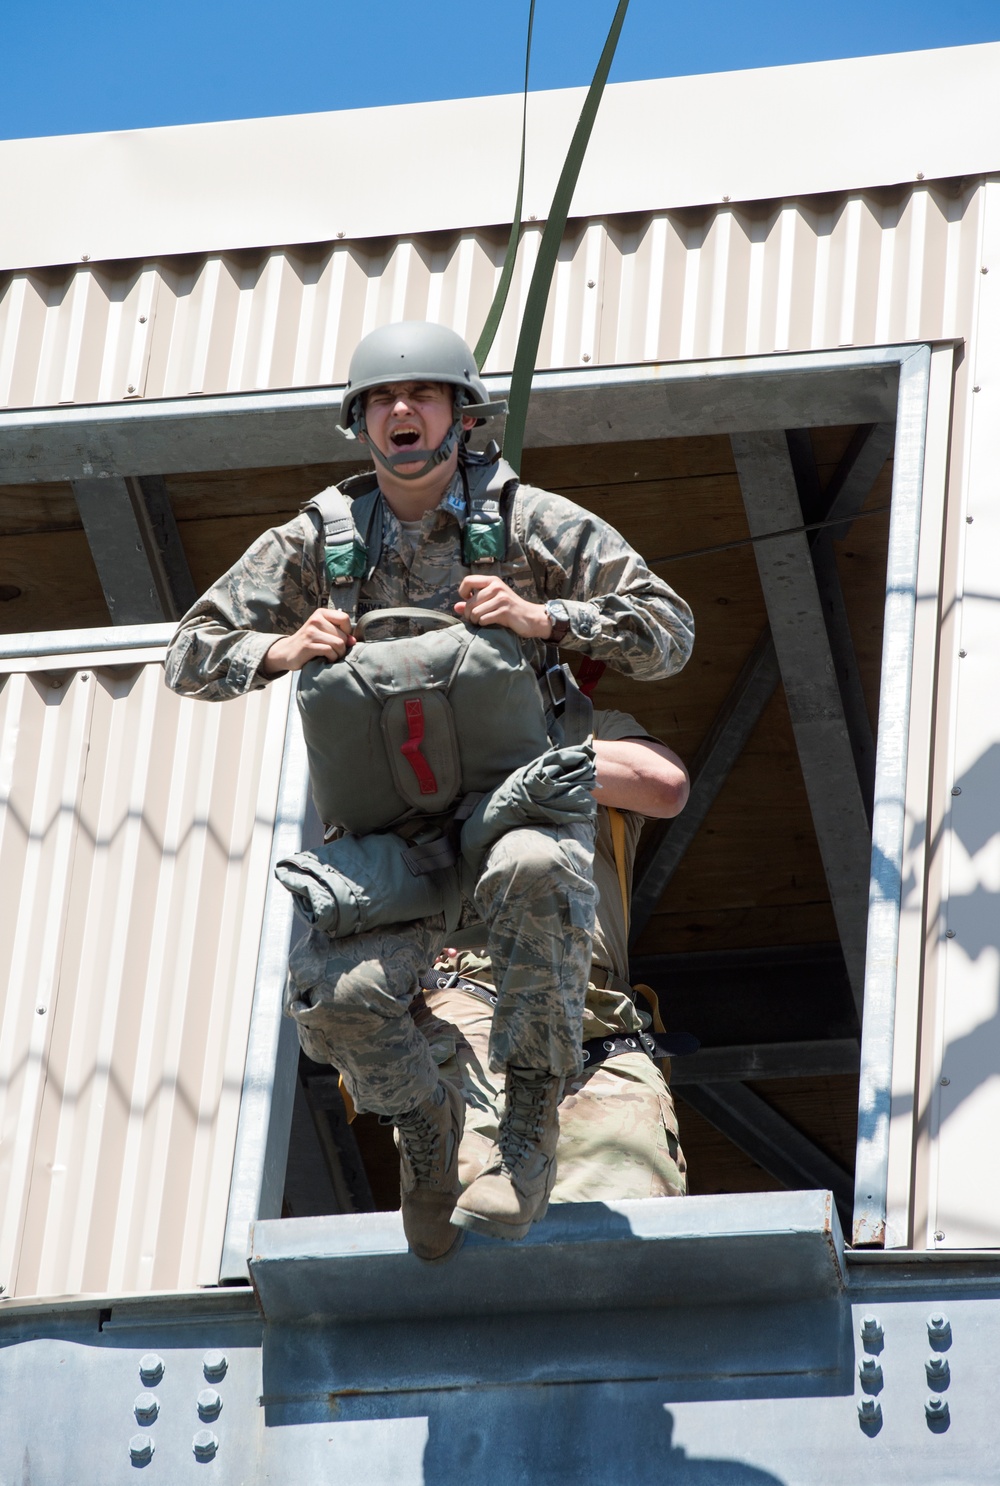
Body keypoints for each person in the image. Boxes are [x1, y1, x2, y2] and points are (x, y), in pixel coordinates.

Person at [165, 320, 694, 1261]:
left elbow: (667, 630)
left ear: (463, 413)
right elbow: (190, 654)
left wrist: (546, 615)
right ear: (361, 421)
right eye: (381, 400)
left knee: (536, 870)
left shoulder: (529, 521)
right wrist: (283, 648)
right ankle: (427, 1132)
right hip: (398, 834)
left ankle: (529, 1124)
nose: (400, 412)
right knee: (333, 994)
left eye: (422, 395)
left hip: (508, 811)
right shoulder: (318, 540)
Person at [418, 709, 690, 1204]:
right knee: (471, 1216)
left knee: (631, 1227)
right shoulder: (424, 738)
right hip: (476, 1001)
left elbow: (663, 785)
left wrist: (521, 758)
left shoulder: (586, 725)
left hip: (598, 1023)